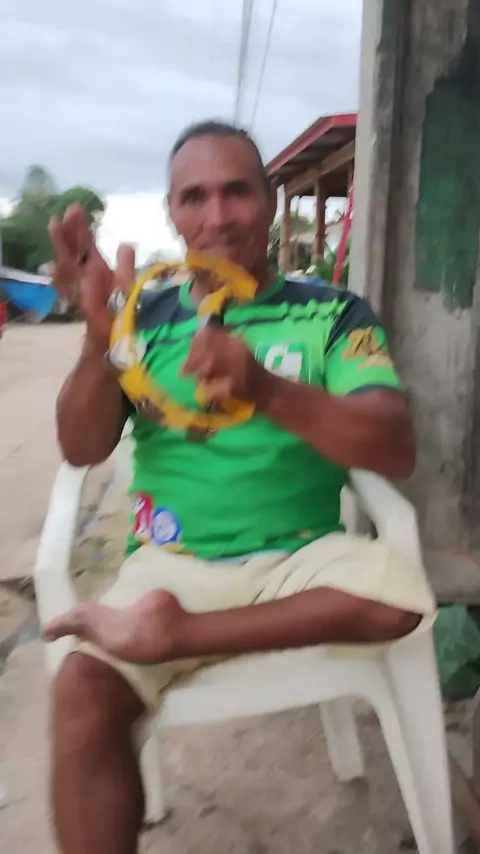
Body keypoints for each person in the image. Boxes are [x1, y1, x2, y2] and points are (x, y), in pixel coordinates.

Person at [45, 120, 435, 854]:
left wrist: (267, 389)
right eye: (194, 197)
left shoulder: (332, 312)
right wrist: (99, 341)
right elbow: (81, 447)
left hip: (301, 559)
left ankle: (179, 638)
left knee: (400, 598)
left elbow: (394, 447)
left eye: (237, 192)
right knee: (80, 691)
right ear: (172, 214)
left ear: (271, 201)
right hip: (171, 568)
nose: (217, 216)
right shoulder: (141, 318)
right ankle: (163, 629)